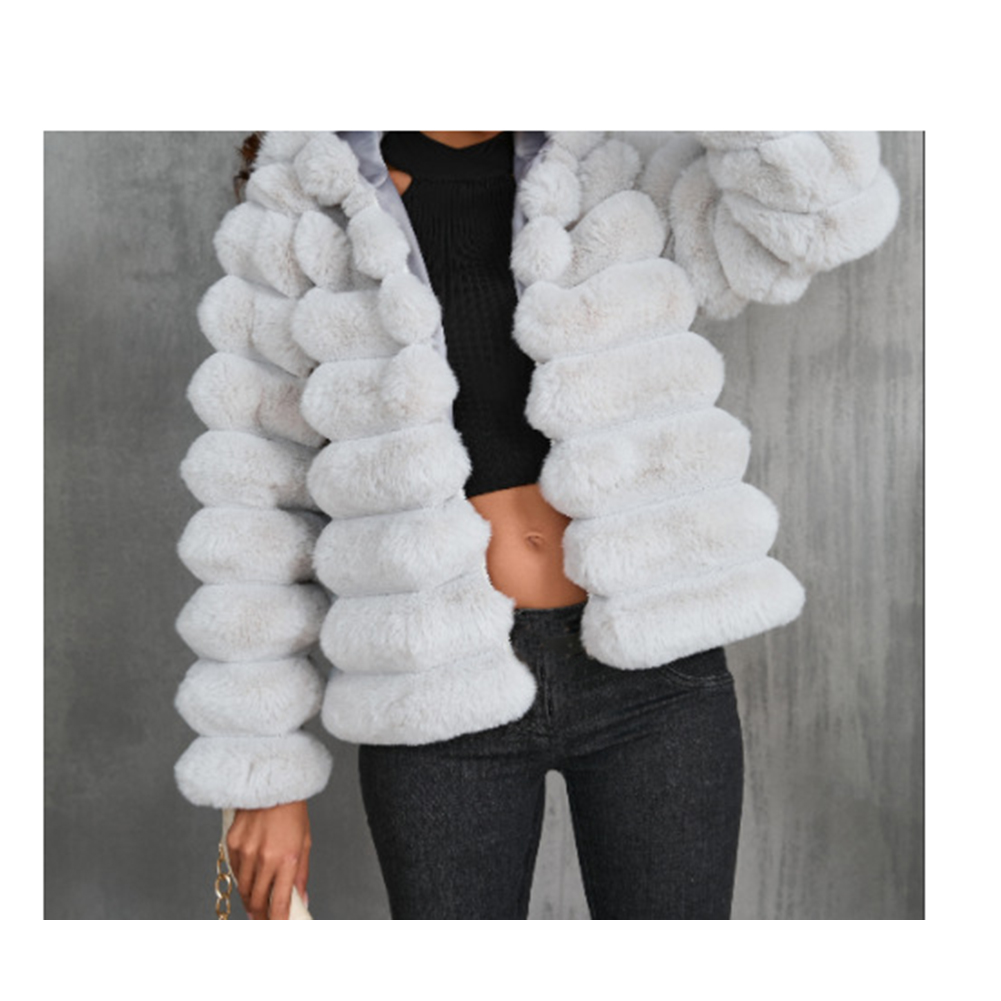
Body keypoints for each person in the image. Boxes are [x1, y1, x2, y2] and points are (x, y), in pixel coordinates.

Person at [174, 131, 900, 919]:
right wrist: (261, 777)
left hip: (653, 678)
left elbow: (814, 216)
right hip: (430, 683)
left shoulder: (616, 165)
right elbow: (251, 502)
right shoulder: (302, 213)